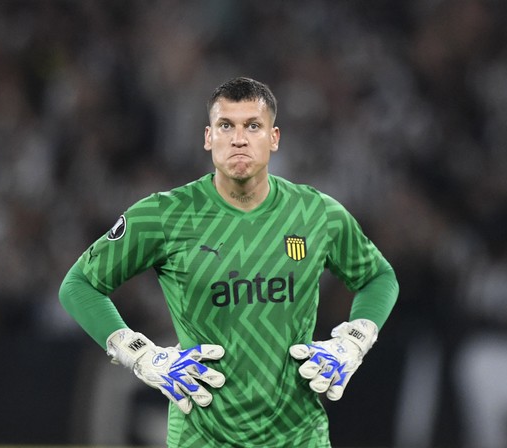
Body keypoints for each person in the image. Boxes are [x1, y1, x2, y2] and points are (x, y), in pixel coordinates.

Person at [59, 77, 399, 447]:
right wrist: (138, 354)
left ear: (274, 138)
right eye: (226, 126)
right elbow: (78, 285)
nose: (239, 138)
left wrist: (355, 340)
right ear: (208, 138)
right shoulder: (164, 215)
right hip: (201, 439)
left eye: (253, 126)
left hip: (299, 438)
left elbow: (378, 276)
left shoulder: (316, 212)